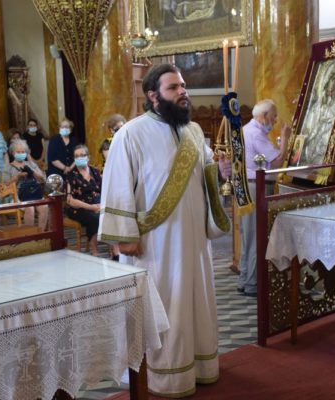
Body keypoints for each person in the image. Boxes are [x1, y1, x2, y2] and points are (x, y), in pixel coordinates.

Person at [98, 63, 231, 397]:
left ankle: (199, 367)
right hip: (155, 243)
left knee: (196, 302)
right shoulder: (131, 134)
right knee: (164, 307)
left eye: (183, 86)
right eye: (174, 87)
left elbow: (204, 175)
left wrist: (220, 172)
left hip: (194, 241)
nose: (183, 92)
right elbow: (116, 187)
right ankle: (163, 377)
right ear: (153, 95)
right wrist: (124, 237)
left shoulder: (194, 132)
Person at [239, 99, 290, 297]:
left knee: (247, 235)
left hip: (247, 186)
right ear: (263, 116)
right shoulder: (256, 134)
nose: (275, 120)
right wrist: (285, 138)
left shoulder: (246, 129)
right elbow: (277, 162)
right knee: (255, 236)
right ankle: (252, 283)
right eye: (274, 116)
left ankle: (245, 279)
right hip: (256, 187)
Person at [66, 145, 102, 256]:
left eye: (82, 155)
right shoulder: (71, 175)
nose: (79, 158)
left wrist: (101, 205)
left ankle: (116, 251)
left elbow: (104, 191)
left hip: (98, 205)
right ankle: (94, 249)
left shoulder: (95, 172)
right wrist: (91, 207)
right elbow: (70, 201)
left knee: (111, 214)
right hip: (79, 208)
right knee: (94, 218)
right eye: (76, 156)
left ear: (88, 157)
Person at [6, 139, 49, 231]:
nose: (21, 154)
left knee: (44, 207)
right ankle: (30, 234)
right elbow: (5, 186)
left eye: (23, 152)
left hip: (34, 193)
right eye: (18, 152)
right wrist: (17, 177)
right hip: (17, 196)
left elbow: (42, 179)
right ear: (13, 153)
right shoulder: (9, 167)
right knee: (30, 208)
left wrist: (32, 172)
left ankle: (40, 234)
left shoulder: (30, 164)